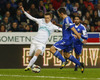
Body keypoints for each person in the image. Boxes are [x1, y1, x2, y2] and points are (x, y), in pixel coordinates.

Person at [20, 6, 62, 71]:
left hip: (41, 43)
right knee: (29, 58)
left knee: (37, 53)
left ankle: (28, 66)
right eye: (45, 18)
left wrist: (72, 33)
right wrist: (24, 11)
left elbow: (61, 30)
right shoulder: (41, 21)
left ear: (50, 18)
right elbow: (31, 18)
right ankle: (32, 66)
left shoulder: (53, 26)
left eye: (48, 18)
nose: (46, 19)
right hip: (34, 41)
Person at [50, 8, 86, 73]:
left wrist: (80, 39)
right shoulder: (67, 19)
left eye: (59, 14)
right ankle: (80, 64)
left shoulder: (67, 20)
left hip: (66, 40)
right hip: (70, 40)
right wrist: (57, 24)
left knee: (52, 49)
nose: (58, 16)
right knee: (67, 55)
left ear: (61, 13)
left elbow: (74, 30)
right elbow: (65, 27)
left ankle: (63, 61)